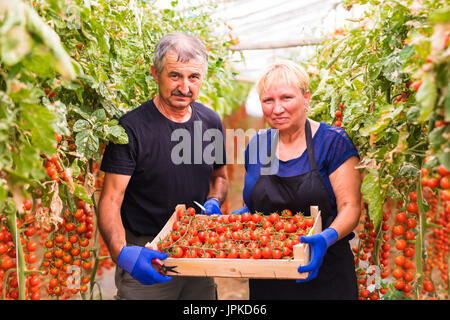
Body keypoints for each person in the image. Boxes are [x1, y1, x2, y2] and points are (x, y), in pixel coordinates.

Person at [98, 32, 228, 300]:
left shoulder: (211, 122)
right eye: (175, 76)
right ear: (155, 74)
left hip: (197, 249)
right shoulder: (131, 128)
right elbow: (111, 199)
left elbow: (220, 177)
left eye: (194, 77)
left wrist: (214, 201)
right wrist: (122, 253)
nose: (185, 87)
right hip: (148, 252)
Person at [232, 60, 361, 299]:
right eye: (268, 101)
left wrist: (327, 237)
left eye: (286, 98)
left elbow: (350, 206)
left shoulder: (332, 142)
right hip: (268, 274)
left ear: (306, 98)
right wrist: (241, 215)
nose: (277, 108)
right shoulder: (258, 145)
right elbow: (259, 204)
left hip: (324, 274)